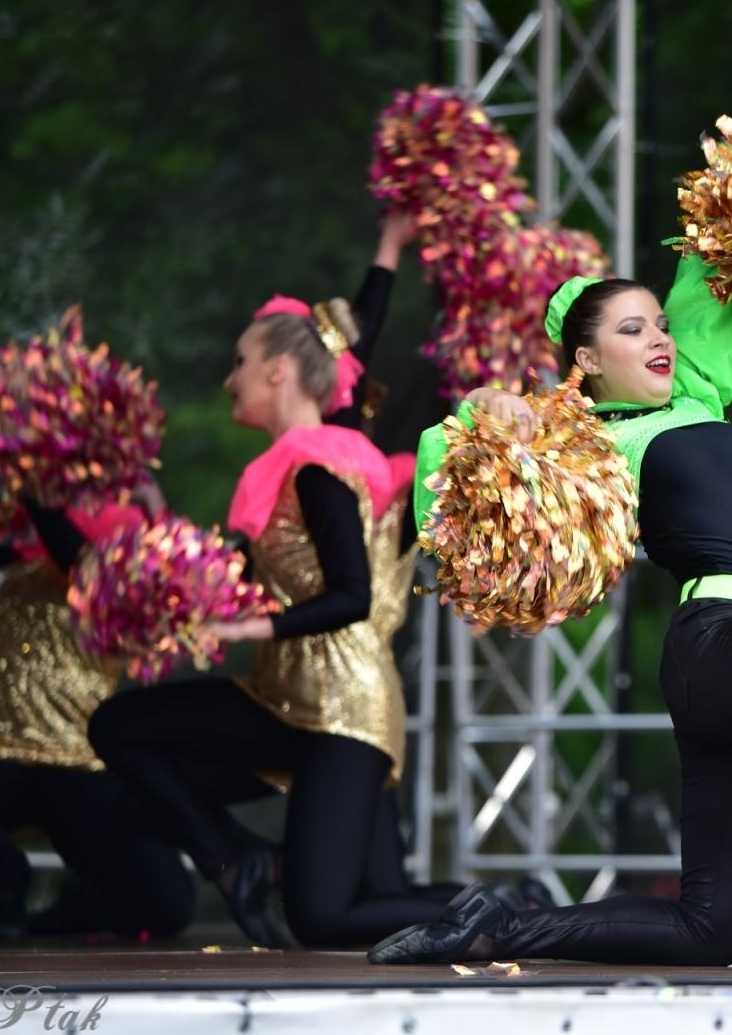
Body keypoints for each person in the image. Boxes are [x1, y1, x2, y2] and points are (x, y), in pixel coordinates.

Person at [370, 118, 732, 971]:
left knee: (714, 929)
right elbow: (457, 467)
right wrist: (490, 400)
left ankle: (498, 925)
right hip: (721, 648)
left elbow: (712, 261)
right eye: (632, 330)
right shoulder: (586, 443)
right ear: (586, 361)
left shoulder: (697, 393)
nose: (658, 336)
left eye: (658, 323)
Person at [88, 229, 453, 947]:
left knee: (329, 917)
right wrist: (385, 245)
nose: (230, 379)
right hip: (283, 700)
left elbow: (349, 592)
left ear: (281, 371)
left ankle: (521, 912)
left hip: (344, 706)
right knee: (122, 741)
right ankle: (236, 858)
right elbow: (352, 346)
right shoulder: (291, 462)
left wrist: (251, 630)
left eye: (240, 363)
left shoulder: (323, 464)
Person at [0, 494, 196, 941]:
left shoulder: (114, 570)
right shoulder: (12, 561)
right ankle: (8, 876)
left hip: (80, 760)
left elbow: (78, 563)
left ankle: (77, 904)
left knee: (167, 908)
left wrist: (32, 486)